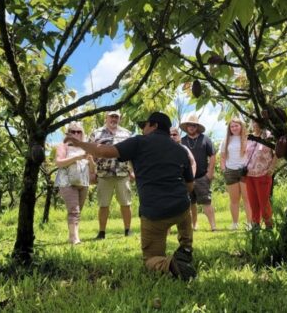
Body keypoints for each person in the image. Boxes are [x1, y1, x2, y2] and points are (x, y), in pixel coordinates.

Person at [66, 112, 197, 280]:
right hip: (181, 208)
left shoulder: (139, 142)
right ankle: (186, 248)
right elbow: (190, 186)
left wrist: (80, 144)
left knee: (150, 259)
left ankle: (170, 265)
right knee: (184, 210)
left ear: (154, 125)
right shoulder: (180, 149)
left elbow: (105, 151)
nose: (143, 130)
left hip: (154, 213)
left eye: (145, 126)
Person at [88, 111, 133, 239]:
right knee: (103, 204)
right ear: (106, 118)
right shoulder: (96, 133)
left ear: (120, 119)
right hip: (103, 174)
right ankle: (102, 232)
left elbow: (133, 154)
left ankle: (128, 230)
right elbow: (89, 153)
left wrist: (133, 171)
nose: (114, 119)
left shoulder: (127, 134)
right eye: (111, 116)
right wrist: (91, 172)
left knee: (126, 203)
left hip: (122, 173)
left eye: (116, 117)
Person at [55, 122, 95, 244]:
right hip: (66, 182)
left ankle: (72, 235)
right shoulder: (63, 146)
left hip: (83, 182)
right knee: (74, 210)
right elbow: (59, 162)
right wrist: (77, 158)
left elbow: (93, 170)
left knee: (78, 211)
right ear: (68, 133)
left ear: (82, 133)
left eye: (79, 131)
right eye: (73, 131)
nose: (76, 134)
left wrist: (91, 161)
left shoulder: (86, 148)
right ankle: (74, 238)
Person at [179, 114, 217, 231]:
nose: (191, 127)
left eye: (194, 125)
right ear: (186, 127)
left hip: (202, 176)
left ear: (197, 127)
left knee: (206, 201)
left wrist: (210, 173)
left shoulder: (205, 139)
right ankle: (194, 225)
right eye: (189, 125)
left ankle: (213, 226)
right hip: (187, 178)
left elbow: (213, 155)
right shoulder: (182, 140)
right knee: (190, 203)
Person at [219, 118, 252, 230]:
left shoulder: (248, 138)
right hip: (230, 171)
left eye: (236, 126)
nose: (234, 128)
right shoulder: (226, 140)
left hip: (244, 171)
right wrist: (224, 169)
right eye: (232, 126)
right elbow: (222, 156)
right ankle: (234, 223)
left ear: (241, 126)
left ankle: (249, 223)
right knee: (234, 200)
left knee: (247, 198)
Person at [244, 118, 277, 231]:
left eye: (257, 122)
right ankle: (255, 227)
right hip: (249, 175)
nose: (255, 124)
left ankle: (269, 226)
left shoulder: (269, 136)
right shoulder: (249, 137)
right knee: (253, 202)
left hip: (263, 174)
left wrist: (272, 168)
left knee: (264, 203)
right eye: (253, 121)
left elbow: (277, 153)